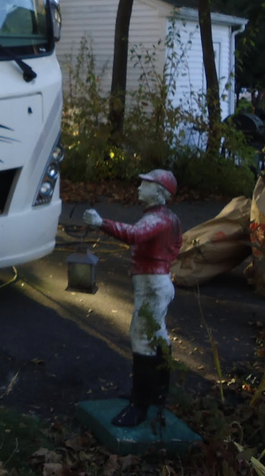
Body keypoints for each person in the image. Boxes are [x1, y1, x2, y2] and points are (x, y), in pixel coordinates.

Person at [80, 169, 183, 427]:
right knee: (158, 336)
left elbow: (134, 235)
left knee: (142, 337)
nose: (138, 188)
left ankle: (139, 405)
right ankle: (157, 394)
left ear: (159, 191)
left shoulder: (158, 219)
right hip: (156, 283)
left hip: (152, 285)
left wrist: (100, 222)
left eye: (144, 184)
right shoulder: (165, 218)